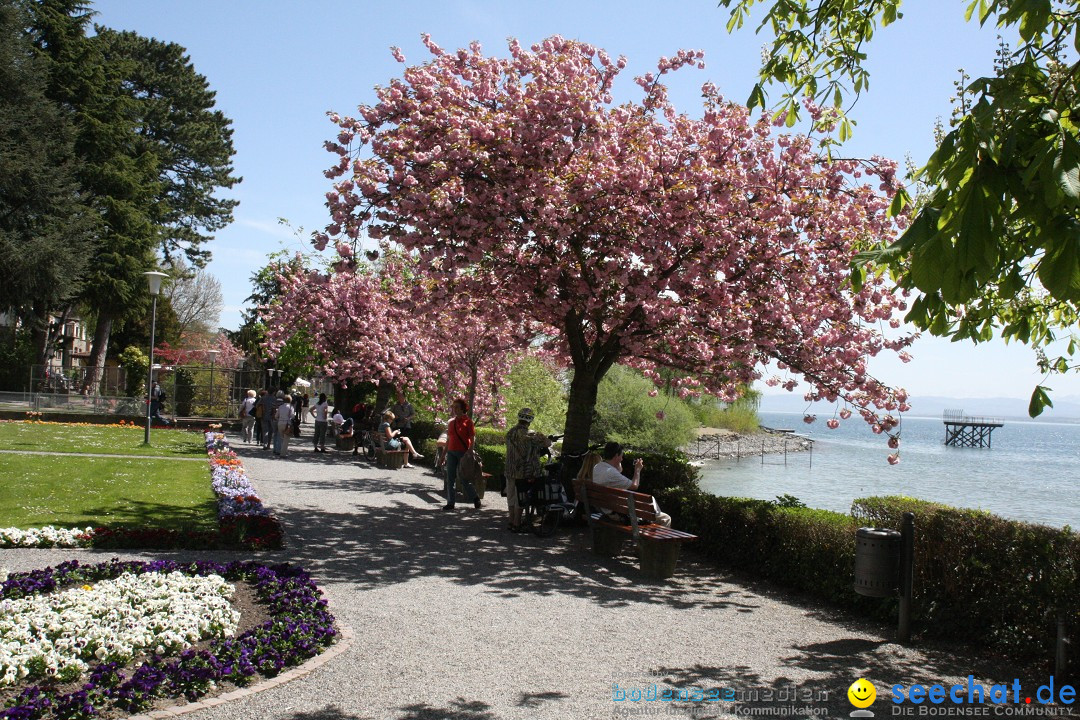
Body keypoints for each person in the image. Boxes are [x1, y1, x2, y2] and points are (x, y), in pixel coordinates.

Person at [591, 441, 671, 527]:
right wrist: (637, 470)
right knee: (665, 518)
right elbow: (634, 485)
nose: (622, 459)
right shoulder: (611, 473)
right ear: (616, 456)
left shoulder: (598, 467)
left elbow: (612, 478)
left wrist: (618, 469)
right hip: (618, 515)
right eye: (621, 456)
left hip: (606, 510)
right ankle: (653, 540)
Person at [503, 407, 552, 531]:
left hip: (510, 470)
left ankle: (510, 521)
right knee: (521, 498)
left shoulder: (510, 432)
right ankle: (517, 523)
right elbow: (548, 443)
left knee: (511, 496)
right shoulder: (532, 434)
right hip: (524, 471)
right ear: (530, 420)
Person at [442, 398, 477, 510]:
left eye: (457, 407)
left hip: (463, 453)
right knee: (450, 478)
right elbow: (448, 439)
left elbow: (472, 438)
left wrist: (470, 451)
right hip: (451, 452)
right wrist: (443, 455)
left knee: (463, 479)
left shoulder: (468, 422)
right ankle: (450, 503)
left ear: (463, 409)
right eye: (454, 407)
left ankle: (475, 498)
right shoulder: (451, 423)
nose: (454, 409)